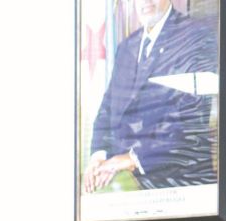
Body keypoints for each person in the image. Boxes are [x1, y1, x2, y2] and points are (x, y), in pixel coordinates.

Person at [83, 0, 218, 194]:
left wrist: (133, 158)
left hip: (180, 186)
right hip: (128, 185)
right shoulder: (127, 47)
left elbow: (191, 118)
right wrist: (99, 156)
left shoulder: (196, 36)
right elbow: (108, 108)